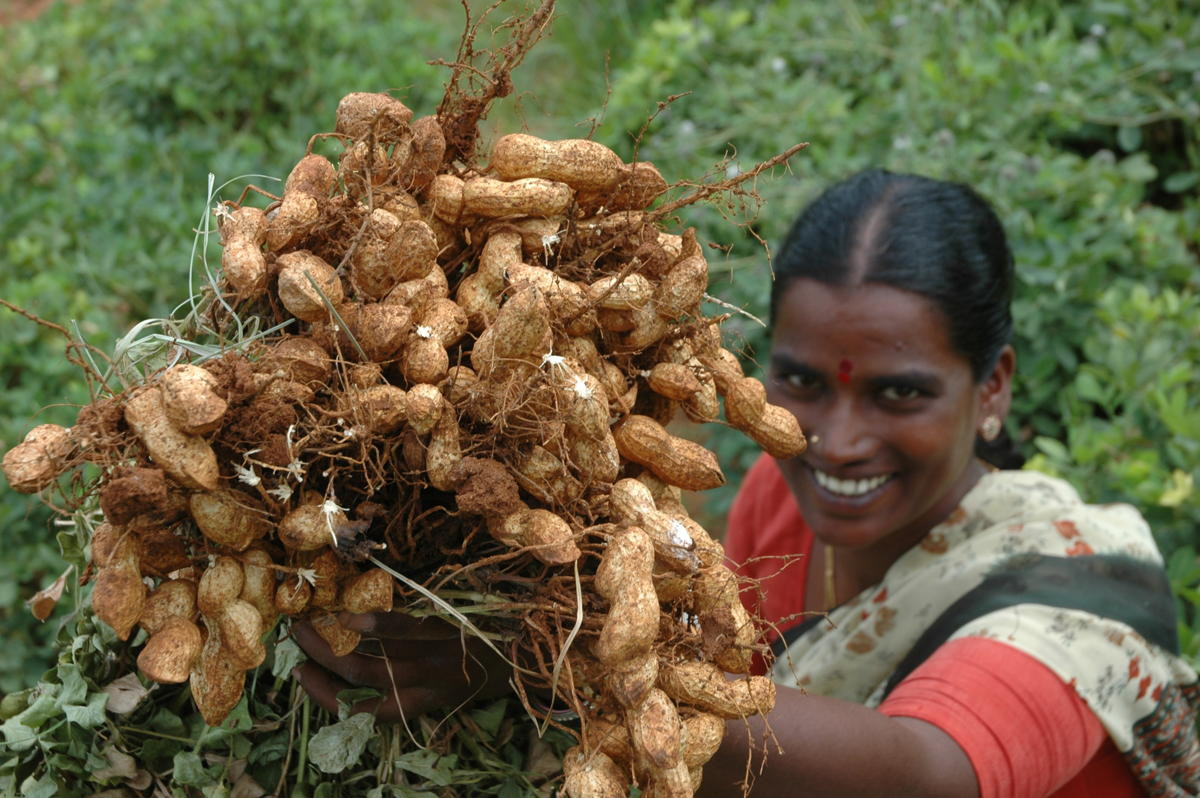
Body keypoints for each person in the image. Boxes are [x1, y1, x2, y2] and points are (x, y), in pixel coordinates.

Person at [295, 169, 1200, 797]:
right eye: (802, 381)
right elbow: (723, 682)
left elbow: (929, 773)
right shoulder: (778, 494)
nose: (836, 442)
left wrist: (531, 661)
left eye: (901, 393)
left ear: (991, 388)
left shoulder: (1072, 591)